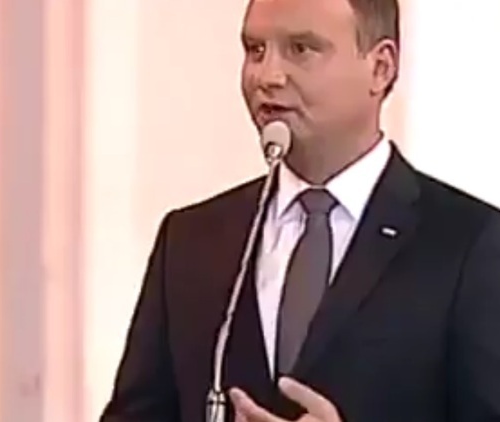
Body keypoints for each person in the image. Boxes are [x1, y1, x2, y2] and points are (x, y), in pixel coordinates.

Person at [99, 0, 500, 421]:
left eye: (301, 49)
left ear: (380, 67)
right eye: (255, 50)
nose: (266, 76)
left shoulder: (469, 244)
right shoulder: (190, 241)